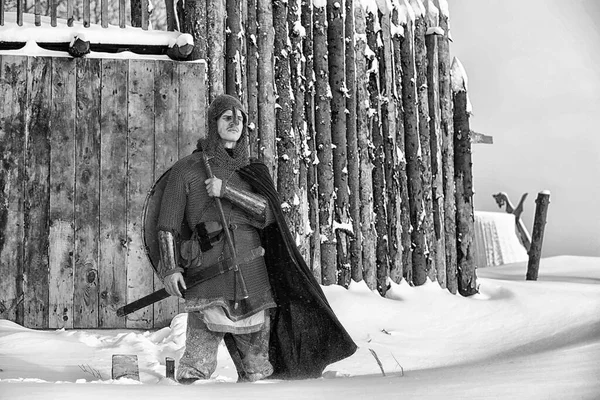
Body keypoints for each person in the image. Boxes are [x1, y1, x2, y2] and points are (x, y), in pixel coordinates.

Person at [156, 94, 356, 384]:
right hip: (207, 274)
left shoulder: (253, 170)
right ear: (213, 123)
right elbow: (167, 225)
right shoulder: (187, 169)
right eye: (227, 117)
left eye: (240, 118)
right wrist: (171, 268)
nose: (235, 123)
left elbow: (268, 214)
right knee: (195, 370)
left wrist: (227, 191)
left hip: (253, 277)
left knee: (257, 372)